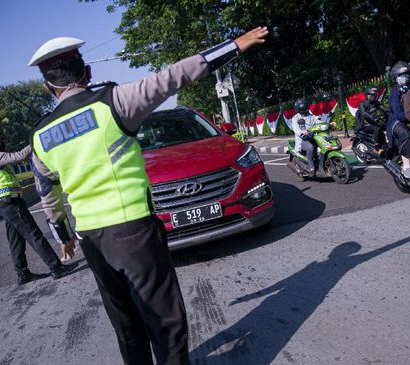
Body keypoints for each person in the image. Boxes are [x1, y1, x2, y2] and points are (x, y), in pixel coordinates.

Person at [27, 27, 269, 365]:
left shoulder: (40, 134)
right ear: (88, 72)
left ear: (47, 87)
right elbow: (174, 77)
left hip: (90, 239)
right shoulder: (114, 102)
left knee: (126, 325)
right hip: (133, 232)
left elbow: (46, 190)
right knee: (165, 322)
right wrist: (233, 46)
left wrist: (63, 235)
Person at [0, 127, 78, 285]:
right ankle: (56, 268)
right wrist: (36, 141)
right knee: (34, 235)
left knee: (16, 240)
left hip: (3, 203)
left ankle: (23, 274)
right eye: (0, 139)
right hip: (12, 202)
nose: (2, 142)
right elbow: (19, 156)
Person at [387, 61, 410, 178]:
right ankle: (406, 165)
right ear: (396, 78)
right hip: (397, 122)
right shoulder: (395, 92)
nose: (405, 78)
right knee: (406, 134)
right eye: (402, 76)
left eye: (407, 75)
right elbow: (398, 113)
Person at [292, 98, 324, 173]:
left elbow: (317, 121)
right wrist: (302, 131)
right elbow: (296, 129)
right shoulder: (295, 118)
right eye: (303, 110)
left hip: (312, 137)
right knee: (310, 147)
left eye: (306, 109)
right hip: (303, 140)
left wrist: (328, 124)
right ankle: (311, 166)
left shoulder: (310, 116)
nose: (305, 111)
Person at [355, 86, 388, 153]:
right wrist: (374, 118)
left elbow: (383, 108)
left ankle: (385, 145)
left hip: (373, 123)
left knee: (386, 127)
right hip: (365, 125)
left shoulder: (376, 103)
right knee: (377, 128)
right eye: (373, 96)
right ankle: (377, 147)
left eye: (375, 95)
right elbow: (364, 114)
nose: (375, 97)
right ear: (368, 96)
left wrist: (391, 112)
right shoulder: (362, 104)